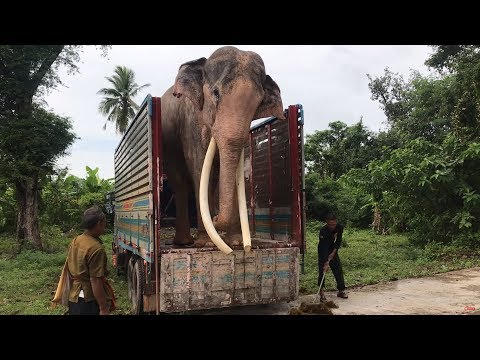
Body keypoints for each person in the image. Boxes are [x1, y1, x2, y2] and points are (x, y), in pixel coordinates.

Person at [67, 205, 115, 315]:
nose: (105, 225)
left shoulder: (76, 240)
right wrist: (103, 307)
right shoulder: (96, 248)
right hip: (88, 300)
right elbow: (95, 280)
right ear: (99, 223)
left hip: (74, 296)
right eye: (104, 222)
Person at [318, 213, 348, 301]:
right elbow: (324, 247)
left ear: (336, 222)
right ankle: (321, 293)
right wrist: (326, 262)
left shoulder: (339, 227)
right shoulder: (323, 231)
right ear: (326, 223)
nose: (332, 226)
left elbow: (338, 241)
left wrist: (333, 253)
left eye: (334, 224)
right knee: (322, 271)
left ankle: (341, 290)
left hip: (333, 248)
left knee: (338, 269)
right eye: (330, 224)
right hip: (323, 249)